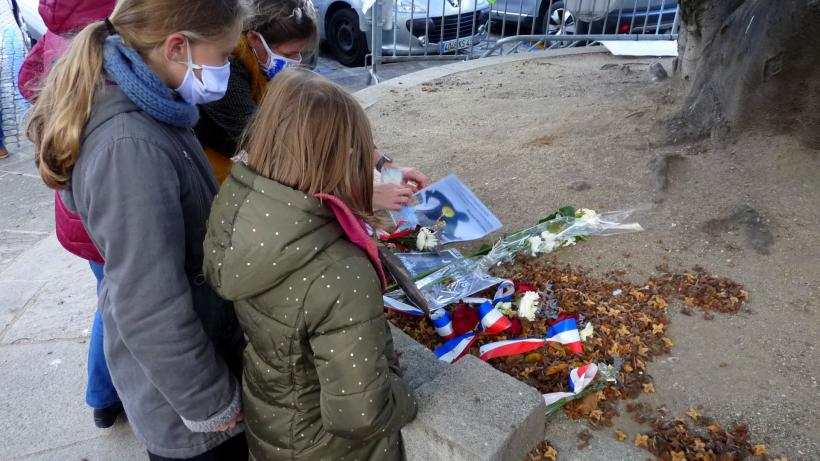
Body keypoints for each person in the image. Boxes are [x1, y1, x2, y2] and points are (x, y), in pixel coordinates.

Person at [26, 0, 248, 459]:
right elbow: (148, 305)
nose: (227, 67)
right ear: (176, 46)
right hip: (187, 409)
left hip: (193, 362)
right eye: (224, 55)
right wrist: (212, 403)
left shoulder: (154, 101)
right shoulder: (130, 145)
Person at [202, 69, 418, 461]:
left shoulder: (239, 209)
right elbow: (361, 415)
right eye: (355, 152)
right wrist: (404, 396)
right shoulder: (340, 274)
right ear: (341, 159)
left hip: (273, 420)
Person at [194, 0, 429, 211]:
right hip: (215, 172)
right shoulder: (227, 69)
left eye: (300, 53)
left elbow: (330, 120)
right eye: (290, 53)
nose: (295, 61)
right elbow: (275, 149)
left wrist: (385, 167)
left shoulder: (269, 66)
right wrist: (360, 195)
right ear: (255, 39)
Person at [18, 0, 122, 429]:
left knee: (109, 297)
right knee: (114, 302)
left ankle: (104, 394)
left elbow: (27, 82)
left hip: (72, 205)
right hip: (99, 208)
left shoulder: (51, 40)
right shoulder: (102, 46)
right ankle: (102, 395)